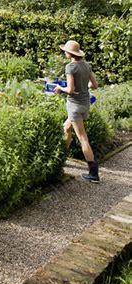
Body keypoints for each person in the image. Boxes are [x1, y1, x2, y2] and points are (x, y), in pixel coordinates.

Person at [54, 39, 99, 183]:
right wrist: (83, 87)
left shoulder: (70, 67)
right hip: (85, 104)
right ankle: (62, 158)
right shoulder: (87, 65)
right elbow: (95, 85)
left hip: (75, 106)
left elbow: (70, 90)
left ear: (70, 53)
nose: (64, 53)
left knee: (83, 138)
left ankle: (93, 173)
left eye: (65, 51)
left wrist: (60, 88)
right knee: (66, 127)